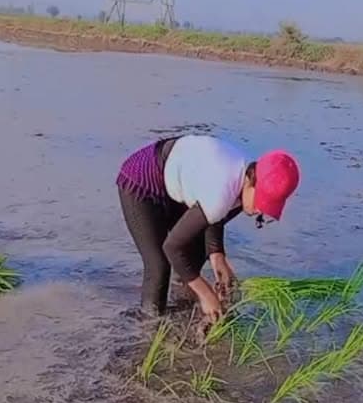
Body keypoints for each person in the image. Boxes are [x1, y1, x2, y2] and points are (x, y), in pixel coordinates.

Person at [116, 134, 300, 327]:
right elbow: (172, 247)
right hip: (142, 179)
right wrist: (206, 294)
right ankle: (149, 327)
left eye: (268, 205)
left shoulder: (243, 184)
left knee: (197, 250)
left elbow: (214, 217)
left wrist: (217, 255)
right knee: (159, 266)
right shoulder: (223, 190)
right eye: (262, 201)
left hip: (178, 181)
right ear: (251, 180)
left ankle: (184, 303)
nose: (259, 211)